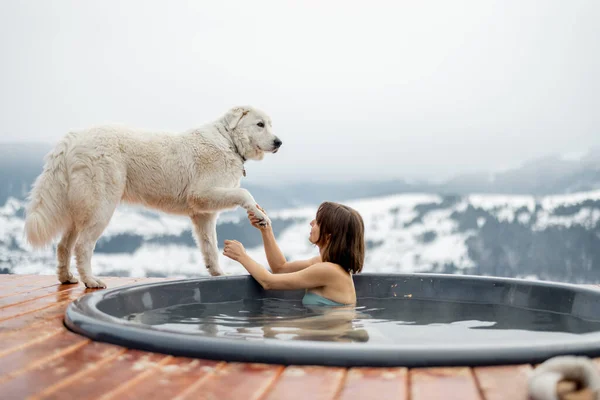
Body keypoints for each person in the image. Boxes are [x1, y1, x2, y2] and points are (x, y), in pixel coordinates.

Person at [222, 201, 365, 306]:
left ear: (328, 236)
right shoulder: (323, 264)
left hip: (332, 338)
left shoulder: (328, 270)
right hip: (325, 334)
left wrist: (242, 256)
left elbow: (268, 282)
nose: (311, 222)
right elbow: (280, 268)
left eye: (318, 222)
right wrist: (266, 230)